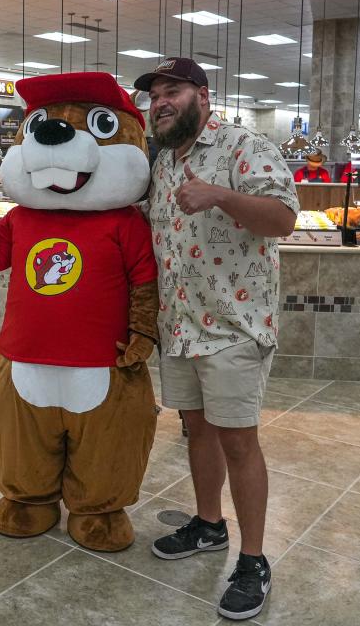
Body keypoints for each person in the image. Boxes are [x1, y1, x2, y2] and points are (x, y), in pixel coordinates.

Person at [135, 57, 298, 621]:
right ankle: (208, 524)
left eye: (172, 90)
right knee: (196, 431)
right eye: (154, 93)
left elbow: (282, 219)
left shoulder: (243, 147)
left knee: (238, 442)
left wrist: (221, 196)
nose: (160, 101)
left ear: (203, 95)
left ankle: (254, 560)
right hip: (179, 327)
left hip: (234, 328)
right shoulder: (160, 164)